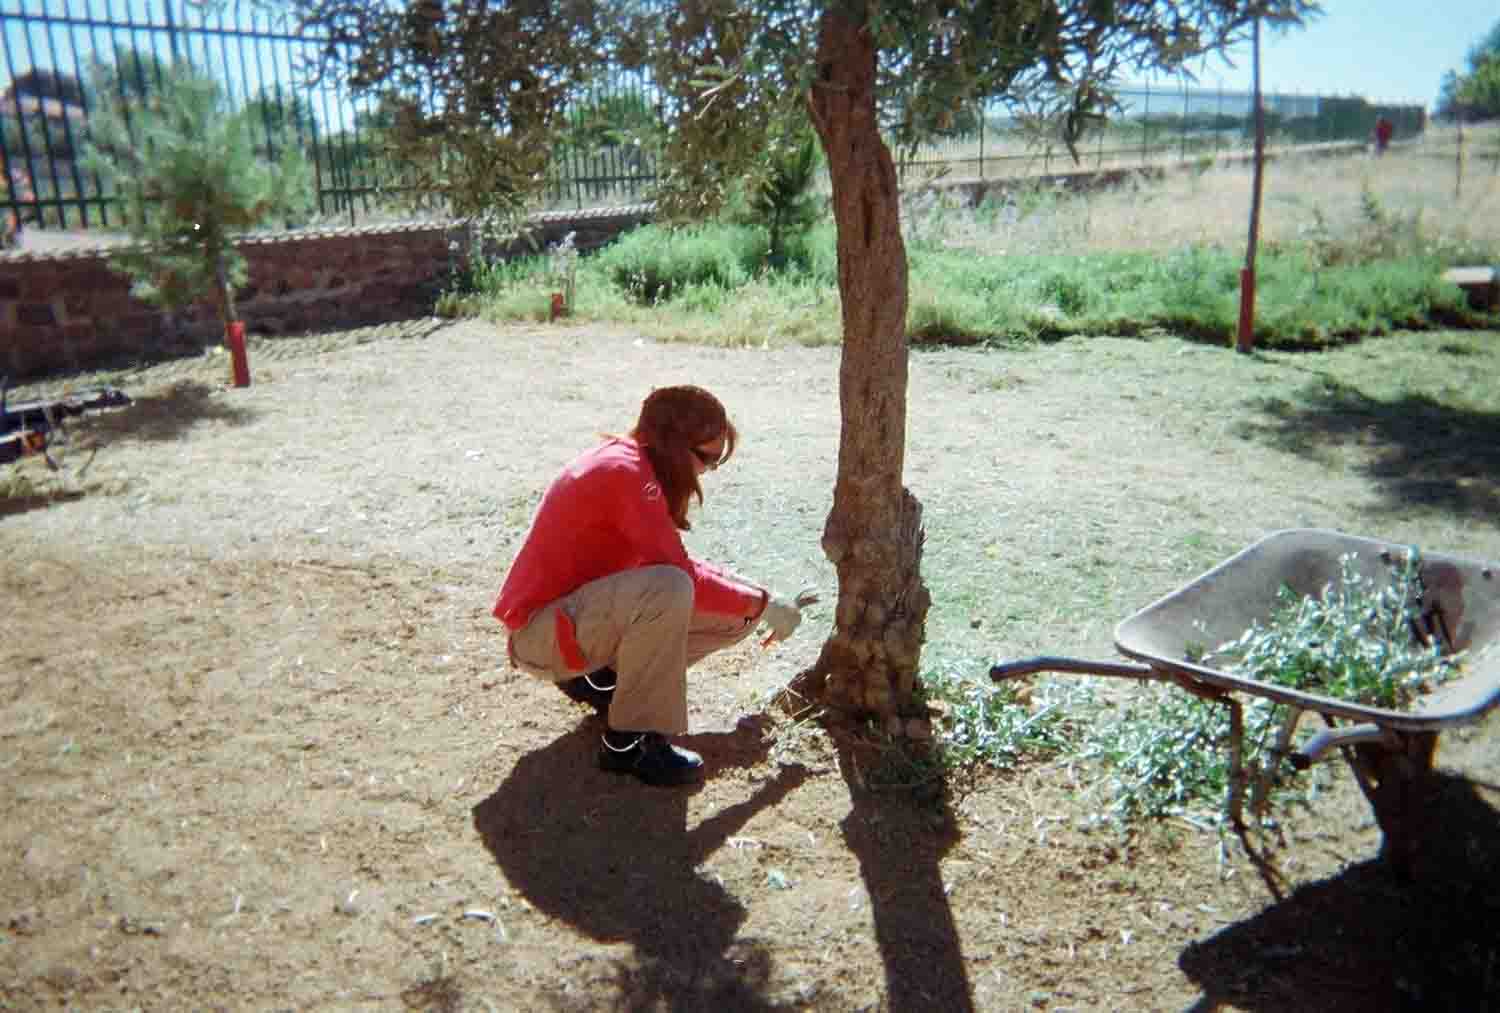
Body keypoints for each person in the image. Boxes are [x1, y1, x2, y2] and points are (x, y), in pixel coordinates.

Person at [493, 385, 809, 787]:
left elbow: (676, 564)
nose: (707, 471)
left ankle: (600, 680)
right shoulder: (626, 473)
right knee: (671, 590)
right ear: (675, 445)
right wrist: (766, 605)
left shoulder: (628, 462)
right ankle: (629, 744)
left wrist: (760, 600)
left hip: (561, 626)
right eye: (706, 458)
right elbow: (678, 577)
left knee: (734, 615)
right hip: (541, 638)